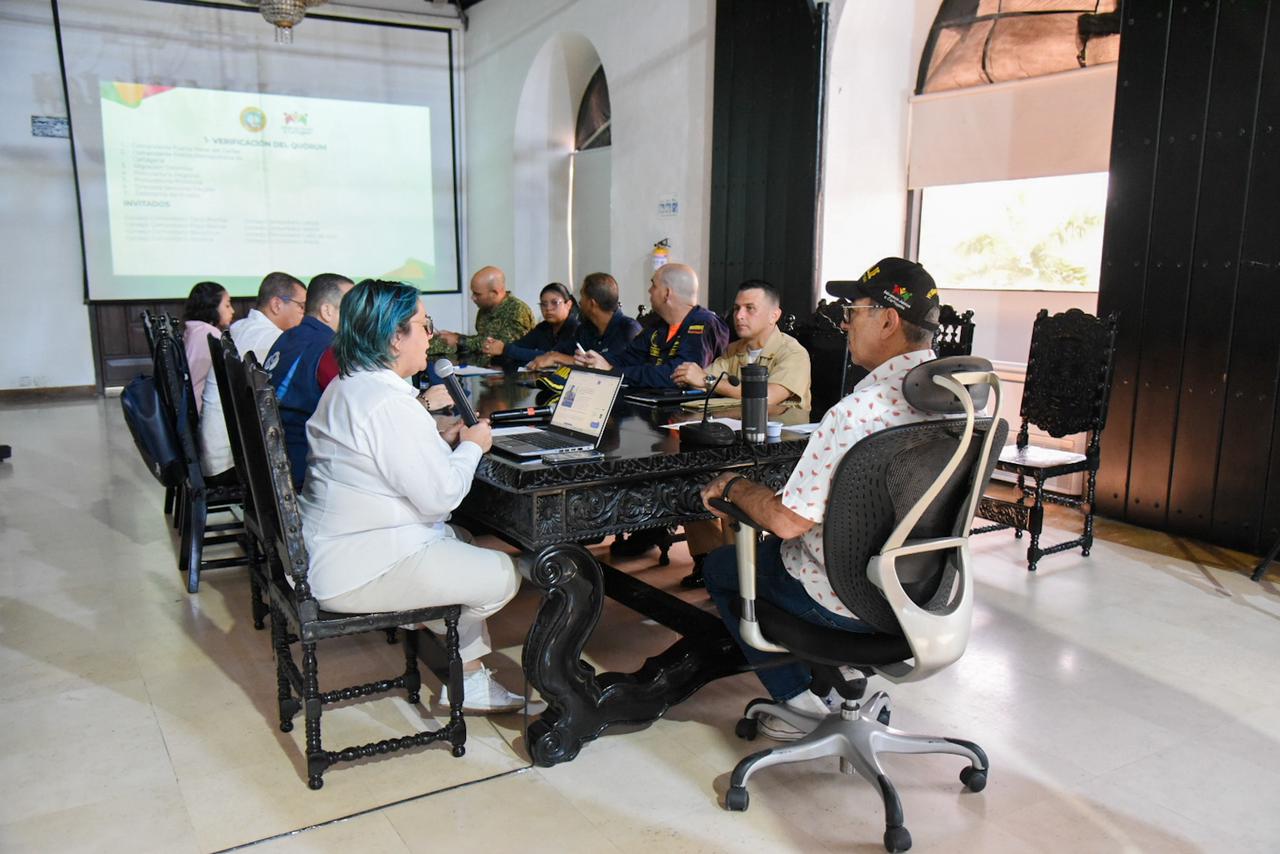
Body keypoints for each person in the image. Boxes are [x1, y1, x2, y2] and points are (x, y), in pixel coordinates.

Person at [698, 257, 943, 741]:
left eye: (855, 310)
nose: (846, 321)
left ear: (889, 320)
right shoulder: (963, 400)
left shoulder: (857, 412)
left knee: (723, 568)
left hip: (843, 600)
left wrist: (734, 486)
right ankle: (838, 680)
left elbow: (788, 522)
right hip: (924, 592)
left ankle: (798, 702)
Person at [299, 279, 534, 713]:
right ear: (393, 338)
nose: (430, 336)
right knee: (503, 574)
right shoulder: (387, 402)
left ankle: (469, 676)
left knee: (460, 541)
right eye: (423, 326)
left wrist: (435, 434)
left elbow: (387, 458)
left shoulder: (351, 385)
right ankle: (455, 651)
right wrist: (471, 446)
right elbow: (440, 498)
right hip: (360, 564)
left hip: (339, 546)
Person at [670, 279, 812, 587]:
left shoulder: (792, 353)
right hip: (730, 435)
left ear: (775, 315)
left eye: (750, 309)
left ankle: (738, 569)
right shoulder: (735, 350)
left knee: (726, 476)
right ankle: (708, 561)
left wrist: (708, 383)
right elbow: (706, 380)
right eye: (736, 309)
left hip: (774, 449)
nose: (739, 316)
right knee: (687, 472)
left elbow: (768, 396)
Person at [200, 272, 306, 480]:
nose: (305, 314)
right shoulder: (272, 338)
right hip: (231, 460)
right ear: (276, 304)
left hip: (219, 448)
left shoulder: (241, 327)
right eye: (301, 306)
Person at [263, 273, 355, 489]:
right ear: (327, 311)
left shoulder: (287, 337)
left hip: (271, 454)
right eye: (352, 307)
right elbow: (356, 410)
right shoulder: (329, 348)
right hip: (302, 462)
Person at [574, 262, 728, 387]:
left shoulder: (704, 324)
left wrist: (613, 371)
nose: (649, 290)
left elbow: (676, 375)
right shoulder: (658, 325)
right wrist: (596, 360)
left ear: (667, 294)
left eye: (654, 286)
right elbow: (630, 357)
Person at [527, 273, 642, 369]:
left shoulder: (628, 329)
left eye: (582, 296)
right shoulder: (585, 329)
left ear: (592, 303)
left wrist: (558, 358)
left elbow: (610, 365)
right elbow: (560, 351)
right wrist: (553, 356)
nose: (580, 302)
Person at [430, 266, 535, 366]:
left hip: (508, 372)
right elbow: (480, 340)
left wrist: (459, 340)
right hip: (484, 367)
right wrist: (453, 337)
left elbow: (499, 346)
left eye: (477, 294)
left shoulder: (517, 311)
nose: (473, 298)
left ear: (494, 292)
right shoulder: (485, 309)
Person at [479, 282, 580, 368]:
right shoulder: (543, 327)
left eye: (555, 303)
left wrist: (505, 349)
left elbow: (550, 355)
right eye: (543, 304)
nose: (548, 308)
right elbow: (519, 347)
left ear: (568, 304)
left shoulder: (577, 329)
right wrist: (496, 348)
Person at [181, 281, 234, 414]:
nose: (232, 311)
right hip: (202, 408)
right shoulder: (210, 334)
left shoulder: (194, 329)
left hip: (189, 405)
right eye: (227, 305)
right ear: (212, 307)